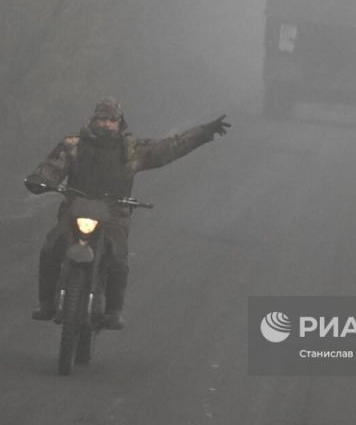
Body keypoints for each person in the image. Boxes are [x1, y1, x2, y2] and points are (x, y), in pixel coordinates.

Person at [24, 98, 230, 329]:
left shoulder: (132, 150)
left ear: (120, 123)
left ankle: (113, 311)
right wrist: (41, 180)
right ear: (93, 120)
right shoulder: (73, 145)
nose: (106, 124)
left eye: (112, 120)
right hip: (75, 209)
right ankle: (46, 304)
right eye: (102, 119)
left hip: (114, 213)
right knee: (51, 247)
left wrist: (204, 132)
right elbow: (52, 167)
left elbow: (171, 147)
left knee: (117, 257)